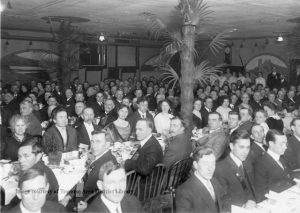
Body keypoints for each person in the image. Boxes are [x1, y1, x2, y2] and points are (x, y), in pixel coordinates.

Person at [176, 147, 229, 213]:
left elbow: (224, 201)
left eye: (213, 163)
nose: (210, 168)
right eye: (206, 164)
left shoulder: (215, 181)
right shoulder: (184, 191)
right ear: (196, 165)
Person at [214, 130, 256, 208]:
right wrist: (243, 206)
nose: (245, 151)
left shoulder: (247, 163)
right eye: (241, 147)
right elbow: (222, 200)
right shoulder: (220, 169)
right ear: (231, 146)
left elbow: (251, 189)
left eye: (248, 147)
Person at [254, 129, 294, 202]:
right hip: (277, 201)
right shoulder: (261, 163)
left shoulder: (282, 159)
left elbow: (289, 178)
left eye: (286, 144)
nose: (285, 147)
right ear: (271, 144)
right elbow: (262, 192)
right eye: (282, 144)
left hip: (289, 196)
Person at [18, 137, 59, 202]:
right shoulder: (42, 167)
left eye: (26, 156)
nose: (21, 160)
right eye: (19, 156)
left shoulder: (34, 175)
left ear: (38, 156)